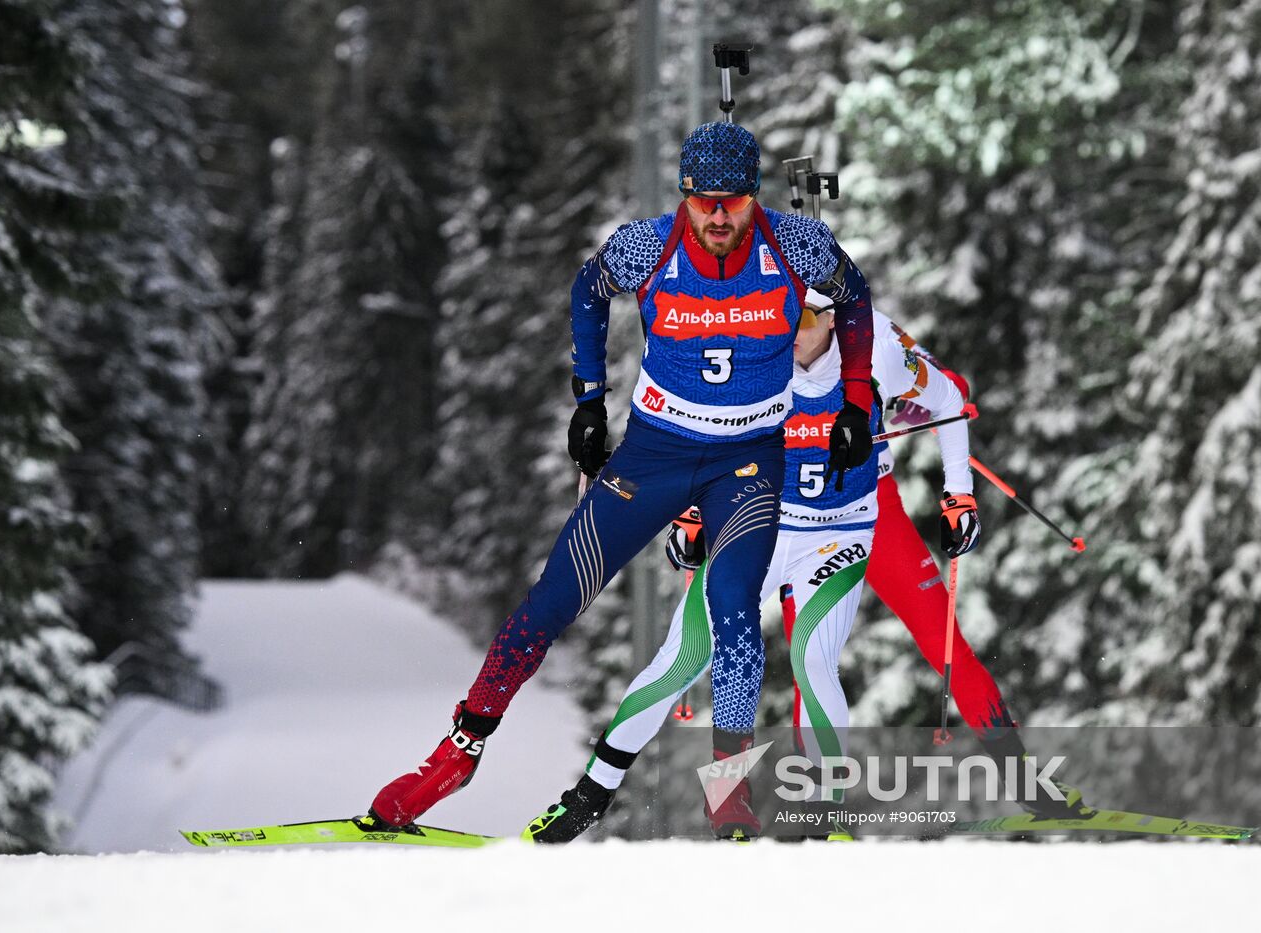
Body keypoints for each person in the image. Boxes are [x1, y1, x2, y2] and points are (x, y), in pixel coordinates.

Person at [360, 123, 878, 832]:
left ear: (755, 197)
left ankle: (728, 798)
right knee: (551, 602)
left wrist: (852, 400)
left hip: (750, 462)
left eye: (733, 201)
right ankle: (457, 752)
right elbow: (586, 289)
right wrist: (587, 400)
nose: (719, 217)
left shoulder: (794, 243)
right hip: (654, 454)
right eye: (704, 201)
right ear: (684, 195)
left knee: (733, 613)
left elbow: (854, 296)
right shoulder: (649, 244)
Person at [522, 292, 1081, 843]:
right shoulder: (746, 348)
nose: (786, 332)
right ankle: (589, 799)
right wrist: (691, 517)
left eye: (804, 317)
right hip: (764, 519)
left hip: (857, 518)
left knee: (920, 643)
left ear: (834, 318)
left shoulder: (877, 345)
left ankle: (1022, 784)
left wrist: (958, 494)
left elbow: (951, 398)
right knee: (682, 658)